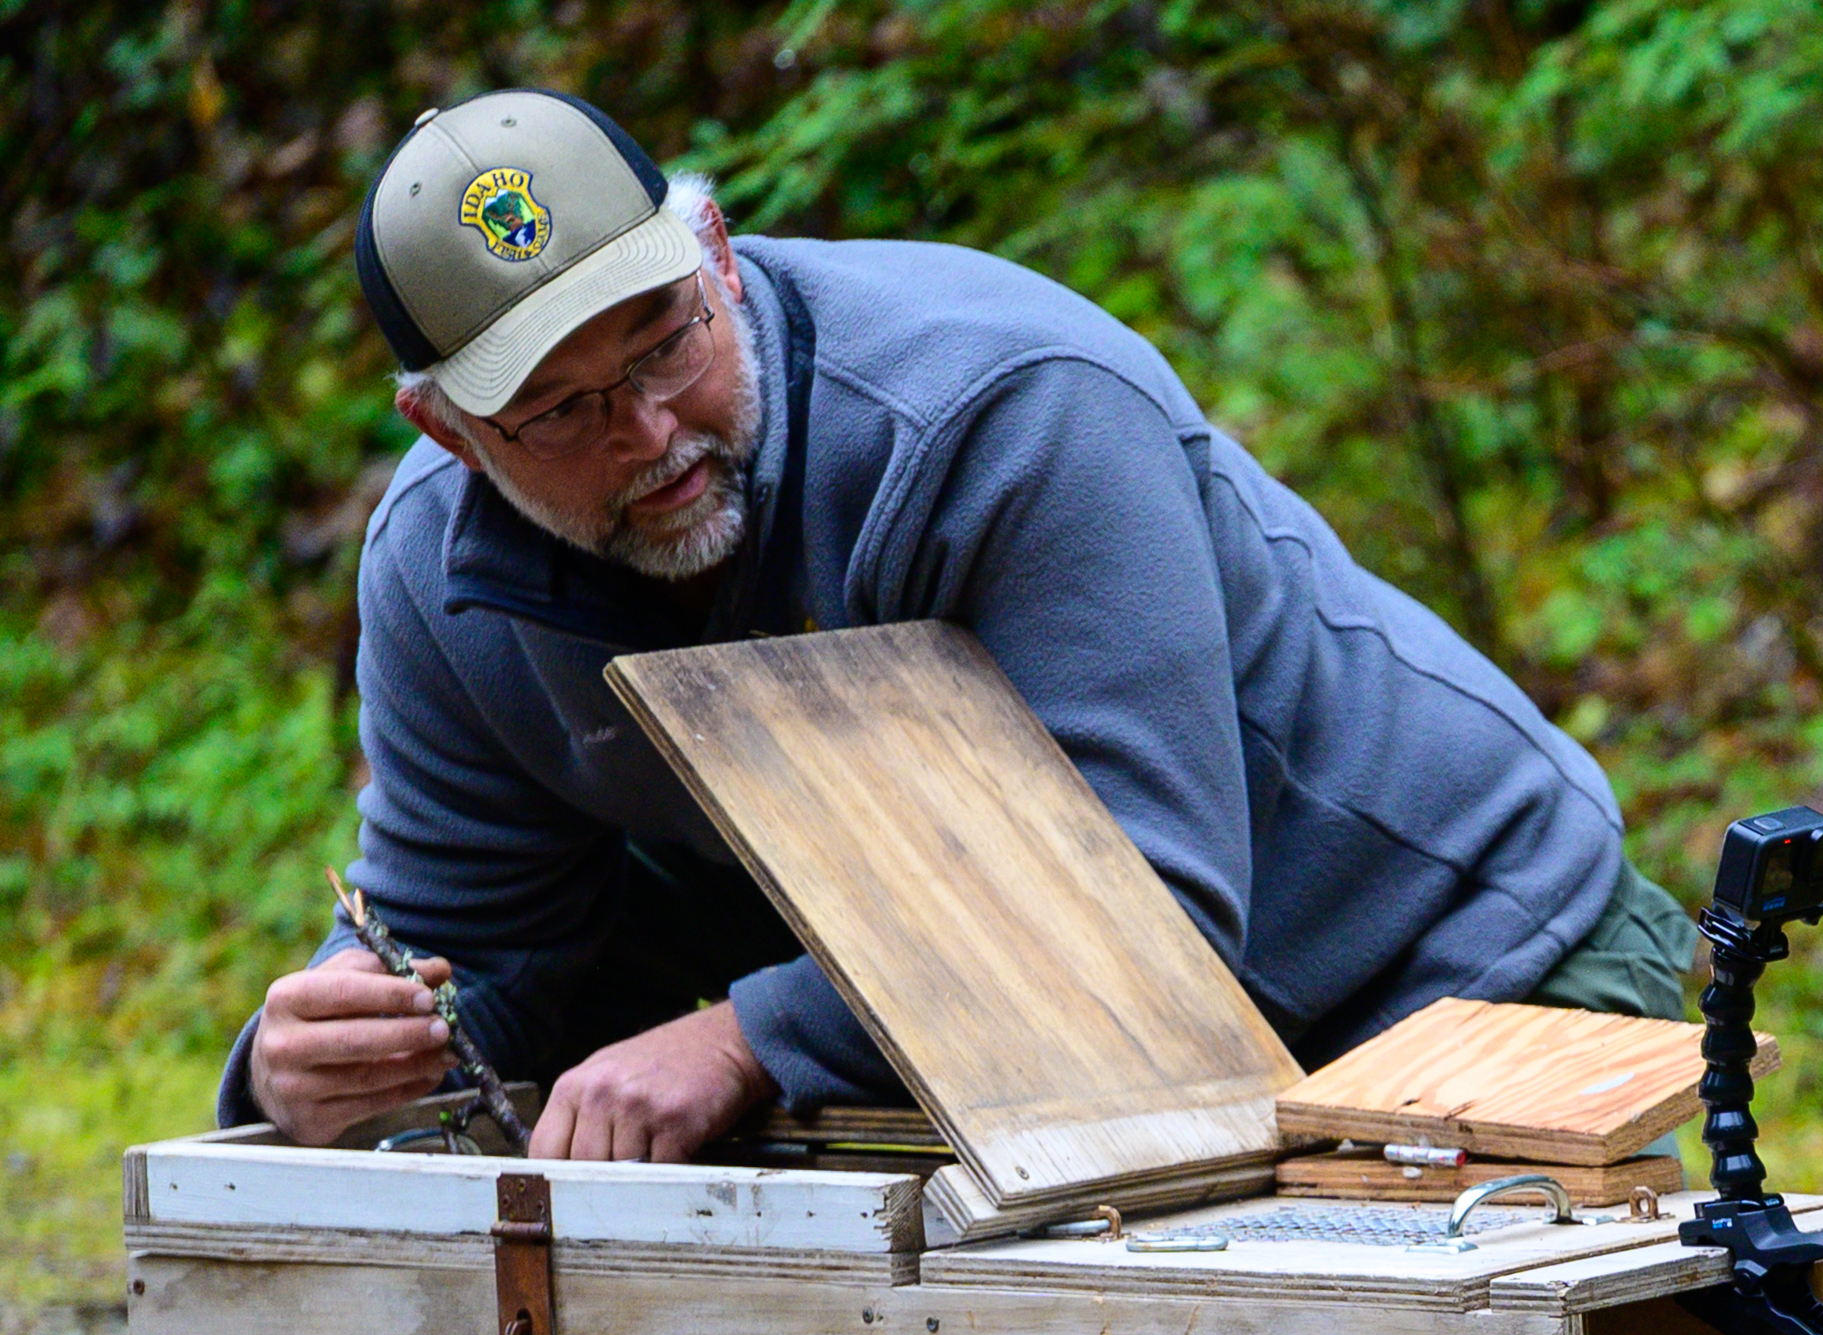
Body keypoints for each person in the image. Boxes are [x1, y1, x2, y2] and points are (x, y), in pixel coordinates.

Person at [231, 89, 1695, 1159]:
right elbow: (469, 955)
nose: (652, 429)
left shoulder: (1004, 414)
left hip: (1458, 956)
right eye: (561, 410)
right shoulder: (438, 578)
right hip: (1039, 1050)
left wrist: (752, 1036)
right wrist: (317, 1063)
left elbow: (1152, 918)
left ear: (718, 253)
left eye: (666, 339)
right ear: (448, 431)